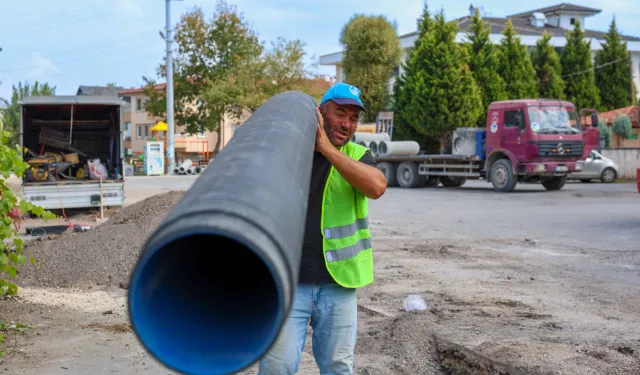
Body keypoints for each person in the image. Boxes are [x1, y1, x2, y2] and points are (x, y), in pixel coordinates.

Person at [258, 82, 387, 375]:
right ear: (320, 113)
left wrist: (328, 150)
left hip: (338, 286)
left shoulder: (357, 155)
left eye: (354, 118)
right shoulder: (291, 151)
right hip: (289, 284)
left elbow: (377, 186)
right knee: (277, 367)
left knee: (338, 368)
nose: (347, 123)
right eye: (340, 114)